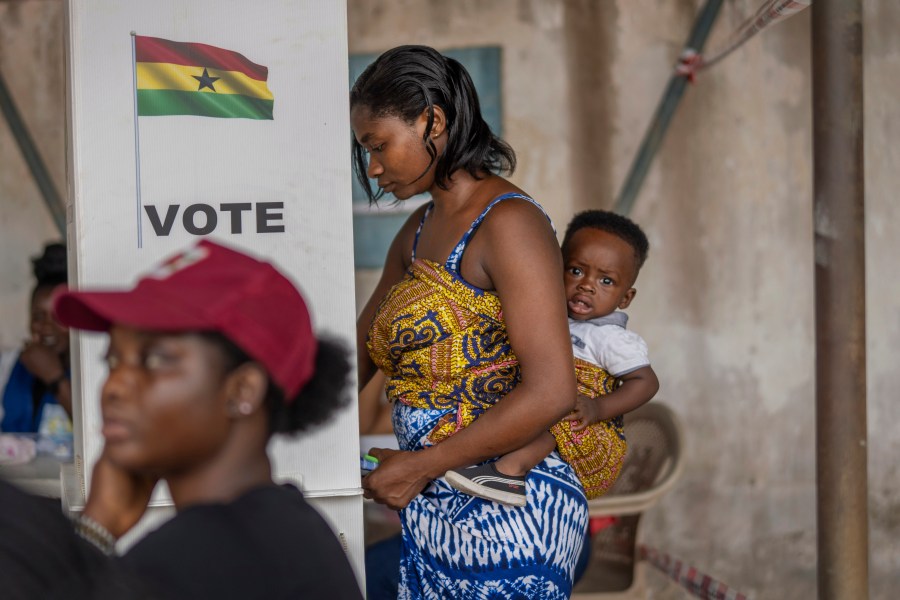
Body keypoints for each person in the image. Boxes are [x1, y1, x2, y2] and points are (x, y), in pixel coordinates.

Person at [0, 239, 363, 600]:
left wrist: (97, 528)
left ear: (243, 390)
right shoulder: (286, 526)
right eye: (113, 361)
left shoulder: (192, 561)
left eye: (155, 360)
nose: (114, 386)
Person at [352, 45, 587, 599]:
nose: (374, 168)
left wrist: (421, 464)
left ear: (433, 120)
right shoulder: (416, 230)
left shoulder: (509, 223)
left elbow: (552, 391)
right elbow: (356, 356)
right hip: (433, 507)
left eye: (379, 145)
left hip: (511, 507)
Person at [445, 209, 660, 505]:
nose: (587, 285)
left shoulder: (613, 339)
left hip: (591, 436)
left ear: (625, 298)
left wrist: (597, 408)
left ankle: (510, 471)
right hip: (545, 413)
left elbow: (645, 382)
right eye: (575, 271)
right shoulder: (548, 316)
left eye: (606, 281)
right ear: (555, 267)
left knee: (556, 402)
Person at [1, 242, 73, 439]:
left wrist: (54, 377)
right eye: (39, 317)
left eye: (59, 317)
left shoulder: (90, 373)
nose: (47, 327)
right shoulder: (9, 366)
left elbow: (94, 435)